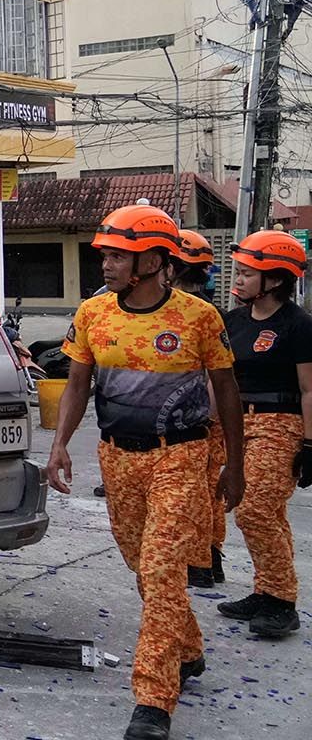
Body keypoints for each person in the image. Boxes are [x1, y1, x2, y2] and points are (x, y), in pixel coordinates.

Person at [45, 203, 245, 740]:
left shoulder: (200, 319)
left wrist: (234, 465)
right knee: (143, 566)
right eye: (106, 255)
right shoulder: (92, 314)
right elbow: (78, 383)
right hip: (117, 457)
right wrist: (60, 445)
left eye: (119, 256)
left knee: (160, 570)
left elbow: (226, 391)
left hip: (180, 455)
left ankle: (154, 700)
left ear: (155, 260)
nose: (107, 265)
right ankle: (189, 648)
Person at [214, 230, 312, 638]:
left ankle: (282, 602)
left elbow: (310, 389)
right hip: (236, 422)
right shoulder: (231, 321)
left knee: (254, 509)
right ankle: (267, 589)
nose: (237, 280)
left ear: (273, 280)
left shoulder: (298, 325)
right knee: (268, 513)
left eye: (246, 274)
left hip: (280, 423)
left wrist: (309, 444)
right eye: (237, 272)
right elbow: (217, 379)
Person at [170, 229, 229, 589]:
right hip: (211, 417)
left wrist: (204, 418)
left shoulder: (189, 314)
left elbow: (213, 375)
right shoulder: (215, 312)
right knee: (208, 490)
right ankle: (210, 556)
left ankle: (200, 560)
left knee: (193, 491)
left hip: (196, 419)